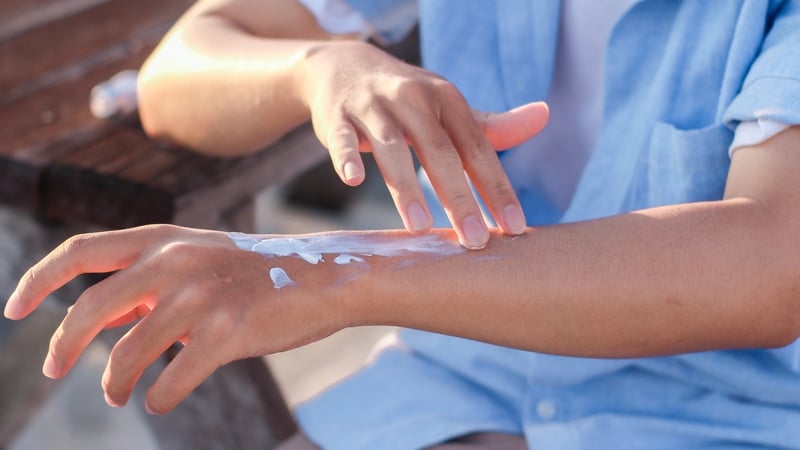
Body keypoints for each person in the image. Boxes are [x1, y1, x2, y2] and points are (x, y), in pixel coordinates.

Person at [5, 0, 800, 448]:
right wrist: (317, 69)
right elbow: (181, 69)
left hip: (732, 416)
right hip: (460, 383)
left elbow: (768, 263)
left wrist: (337, 272)